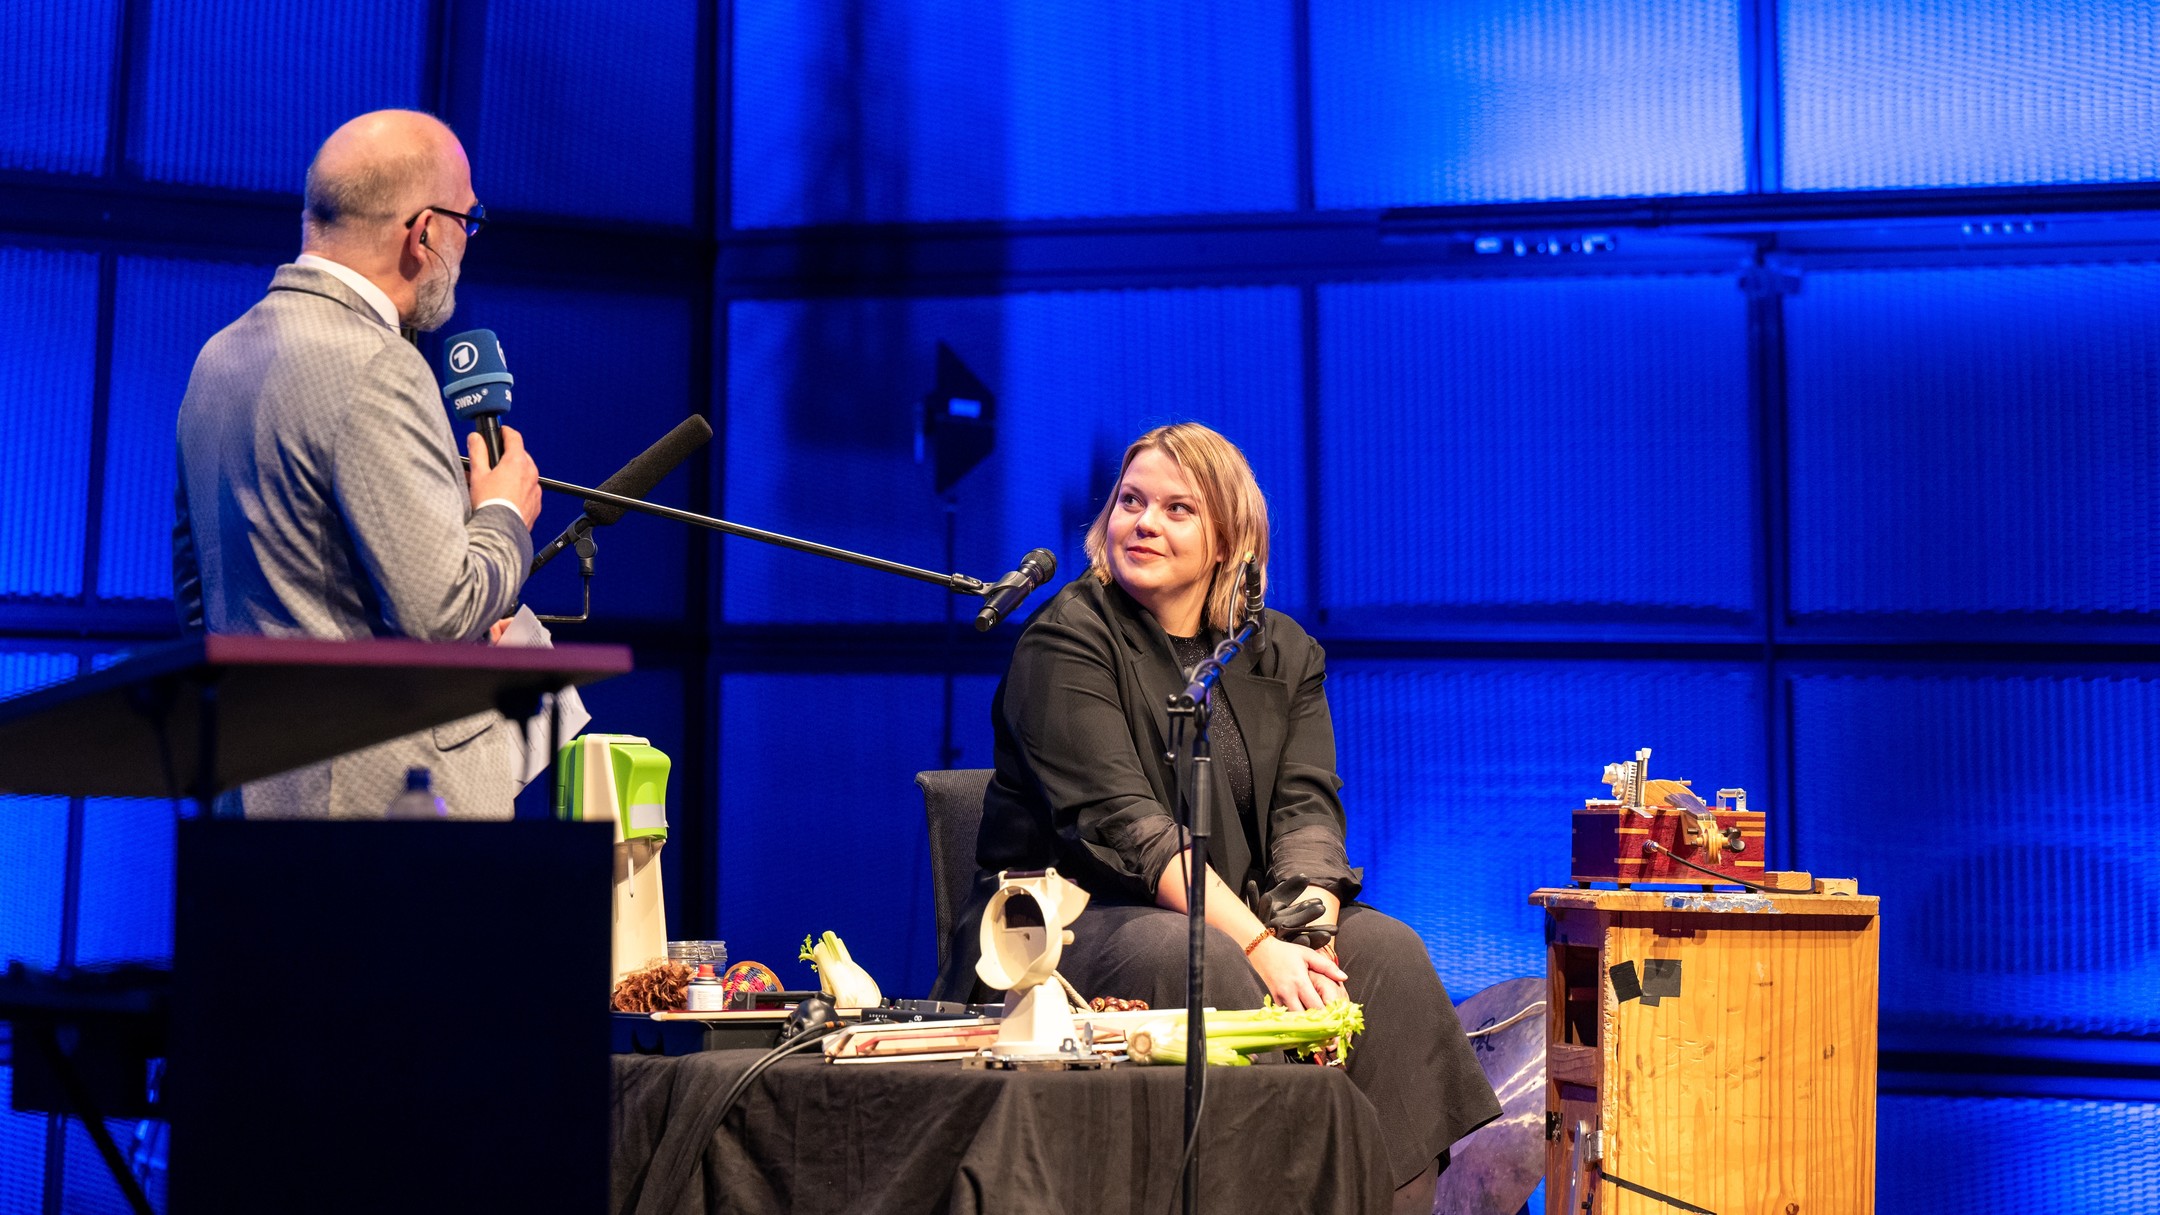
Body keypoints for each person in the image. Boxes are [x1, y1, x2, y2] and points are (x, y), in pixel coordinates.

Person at [936, 422, 1500, 1212]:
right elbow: (1132, 829)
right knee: (1210, 963)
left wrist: (1308, 936)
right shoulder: (1064, 641)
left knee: (1386, 959)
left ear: (1229, 539)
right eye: (1131, 501)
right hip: (1066, 931)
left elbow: (1307, 810)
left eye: (1177, 509)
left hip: (1235, 912)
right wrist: (1262, 948)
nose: (1144, 522)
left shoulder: (1280, 651)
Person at [173, 109, 543, 819]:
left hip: (250, 798)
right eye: (468, 221)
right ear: (424, 232)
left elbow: (199, 603)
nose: (466, 243)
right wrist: (503, 513)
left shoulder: (216, 360)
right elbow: (442, 614)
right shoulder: (380, 365)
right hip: (378, 816)